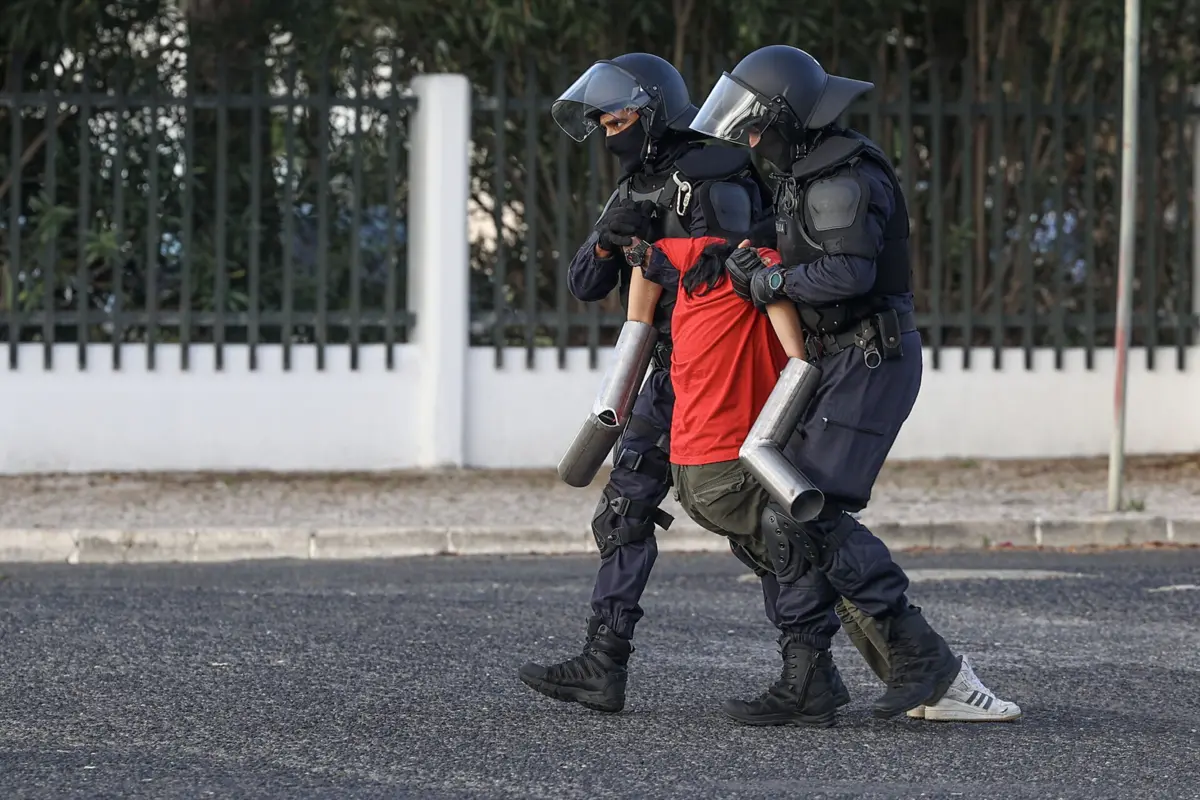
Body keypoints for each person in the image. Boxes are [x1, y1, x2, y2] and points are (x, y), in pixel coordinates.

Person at [670, 44, 1022, 723]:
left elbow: (846, 276)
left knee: (810, 509)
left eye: (754, 125)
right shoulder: (808, 170)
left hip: (871, 359)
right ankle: (809, 678)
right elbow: (793, 240)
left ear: (786, 115)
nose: (748, 139)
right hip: (838, 359)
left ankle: (925, 660)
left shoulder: (842, 176)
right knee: (786, 509)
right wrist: (746, 257)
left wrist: (770, 282)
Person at [516, 53, 773, 714]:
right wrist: (607, 242)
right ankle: (604, 663)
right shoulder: (636, 181)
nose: (605, 124)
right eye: (599, 116)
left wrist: (667, 258)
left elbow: (742, 274)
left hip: (719, 366)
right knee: (625, 508)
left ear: (654, 105)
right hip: (666, 370)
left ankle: (810, 661)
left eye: (616, 112)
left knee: (750, 515)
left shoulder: (714, 171)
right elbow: (585, 284)